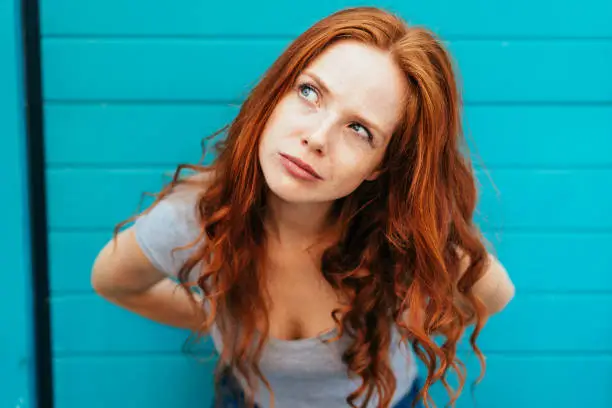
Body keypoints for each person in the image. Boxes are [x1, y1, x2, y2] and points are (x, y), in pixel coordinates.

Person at [90, 6, 515, 408]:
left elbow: (495, 294)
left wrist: (415, 316)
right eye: (309, 92)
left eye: (360, 129)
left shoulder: (396, 240)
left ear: (379, 166)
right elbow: (114, 281)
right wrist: (215, 317)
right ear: (275, 93)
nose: (316, 136)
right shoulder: (197, 219)